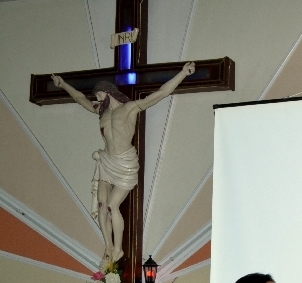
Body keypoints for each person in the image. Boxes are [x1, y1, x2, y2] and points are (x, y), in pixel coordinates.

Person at [51, 62, 196, 265]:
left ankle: (118, 248)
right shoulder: (101, 112)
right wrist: (63, 84)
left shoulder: (130, 108)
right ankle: (108, 247)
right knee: (102, 205)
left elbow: (161, 93)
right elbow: (80, 98)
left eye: (99, 94)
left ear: (108, 92)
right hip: (106, 161)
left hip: (125, 163)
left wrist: (182, 73)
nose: (97, 99)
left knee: (112, 206)